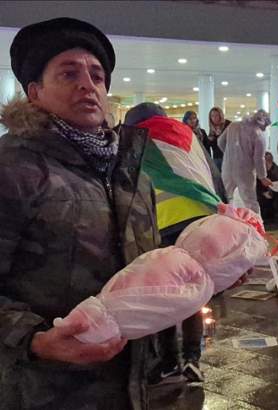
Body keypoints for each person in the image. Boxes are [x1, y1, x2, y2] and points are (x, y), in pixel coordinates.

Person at [0, 17, 159, 409]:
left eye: (97, 75)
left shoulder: (131, 172)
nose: (88, 84)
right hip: (44, 392)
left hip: (134, 389)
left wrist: (212, 270)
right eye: (68, 74)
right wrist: (34, 340)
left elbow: (153, 267)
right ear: (34, 92)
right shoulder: (12, 169)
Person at [124, 102, 227, 385]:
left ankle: (168, 362)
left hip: (160, 223)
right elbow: (213, 175)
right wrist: (224, 211)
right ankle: (192, 359)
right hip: (200, 219)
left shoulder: (134, 140)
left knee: (165, 292)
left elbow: (127, 186)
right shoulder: (187, 134)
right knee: (195, 291)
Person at [219, 110, 272, 214]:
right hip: (246, 171)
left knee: (228, 198)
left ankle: (228, 224)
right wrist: (263, 177)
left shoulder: (233, 125)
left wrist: (229, 154)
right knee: (250, 200)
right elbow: (259, 159)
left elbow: (220, 141)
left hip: (227, 168)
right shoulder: (259, 135)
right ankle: (256, 225)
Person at [256, 151, 278, 223]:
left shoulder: (277, 171)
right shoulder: (259, 171)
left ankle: (277, 214)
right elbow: (255, 186)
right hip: (263, 196)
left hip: (276, 197)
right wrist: (263, 193)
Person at [205, 106, 230, 170]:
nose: (214, 118)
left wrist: (220, 134)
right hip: (216, 157)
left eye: (216, 115)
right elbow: (211, 145)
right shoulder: (212, 127)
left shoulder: (227, 124)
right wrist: (210, 139)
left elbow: (231, 140)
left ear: (220, 115)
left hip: (228, 157)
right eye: (212, 116)